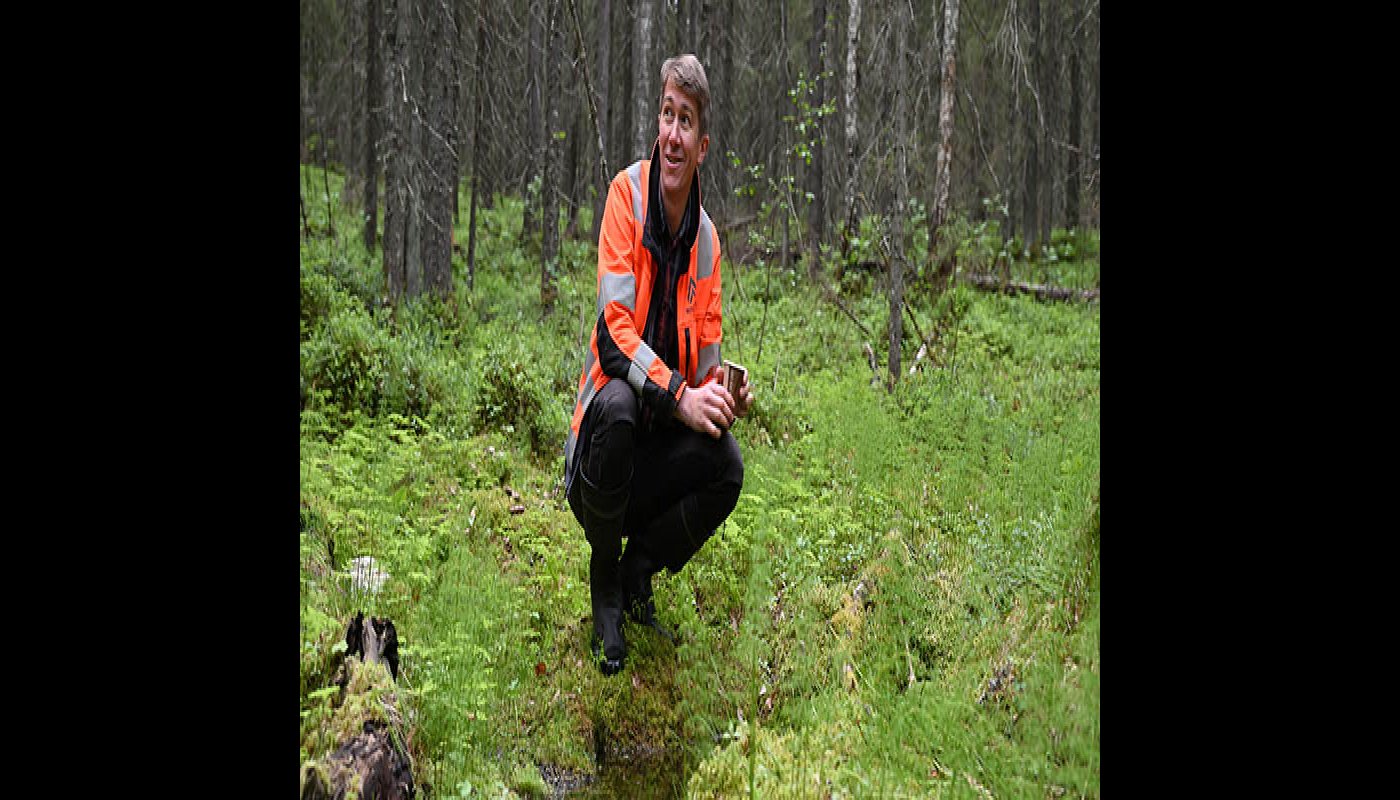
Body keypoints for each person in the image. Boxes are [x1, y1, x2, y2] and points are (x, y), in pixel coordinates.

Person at [564, 54, 753, 675]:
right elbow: (613, 337)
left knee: (726, 463)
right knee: (619, 403)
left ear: (703, 146)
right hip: (598, 457)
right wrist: (680, 394)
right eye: (667, 115)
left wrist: (722, 397)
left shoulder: (708, 242)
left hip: (653, 456)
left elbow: (705, 372)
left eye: (686, 121)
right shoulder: (627, 195)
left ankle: (637, 569)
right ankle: (605, 584)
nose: (673, 133)